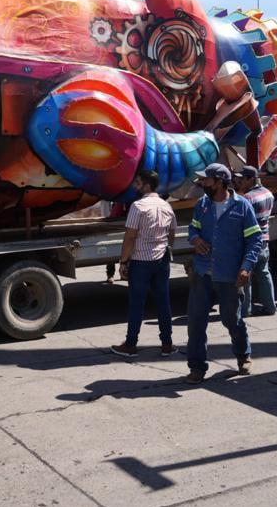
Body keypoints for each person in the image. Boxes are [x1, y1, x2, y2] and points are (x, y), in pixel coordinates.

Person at [186, 163, 263, 384]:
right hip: (203, 274)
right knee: (196, 322)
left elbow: (254, 239)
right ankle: (197, 367)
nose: (201, 183)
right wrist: (196, 239)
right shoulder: (202, 205)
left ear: (219, 182)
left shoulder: (242, 206)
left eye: (205, 180)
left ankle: (243, 355)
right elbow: (193, 229)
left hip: (229, 276)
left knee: (232, 320)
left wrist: (247, 266)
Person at [110, 169, 177, 357]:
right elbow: (172, 233)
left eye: (138, 183)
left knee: (137, 304)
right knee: (163, 302)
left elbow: (130, 236)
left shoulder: (138, 207)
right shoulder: (166, 206)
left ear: (146, 185)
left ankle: (130, 344)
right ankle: (167, 344)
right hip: (162, 260)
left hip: (141, 261)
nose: (135, 186)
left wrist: (123, 261)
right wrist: (165, 248)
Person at [233, 166, 276, 317]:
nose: (239, 181)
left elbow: (240, 223)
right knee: (264, 273)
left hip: (250, 242)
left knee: (246, 277)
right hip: (264, 239)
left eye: (242, 178)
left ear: (251, 179)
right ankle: (270, 307)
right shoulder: (268, 194)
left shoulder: (247, 199)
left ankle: (245, 311)